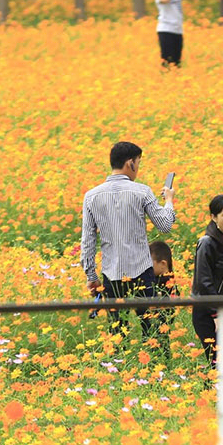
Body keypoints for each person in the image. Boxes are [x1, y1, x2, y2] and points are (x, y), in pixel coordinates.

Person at [80, 141, 176, 345]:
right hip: (141, 271)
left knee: (117, 333)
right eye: (138, 163)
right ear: (130, 163)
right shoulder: (141, 192)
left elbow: (87, 241)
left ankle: (117, 370)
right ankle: (157, 371)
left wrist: (91, 276)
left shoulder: (91, 197)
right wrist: (169, 200)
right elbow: (165, 225)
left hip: (111, 275)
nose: (137, 169)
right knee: (153, 331)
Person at [191, 195, 223, 365]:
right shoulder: (207, 243)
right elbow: (203, 282)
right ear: (214, 217)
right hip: (209, 312)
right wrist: (216, 314)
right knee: (218, 362)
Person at [152, 0, 195, 67]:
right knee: (168, 61)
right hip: (165, 30)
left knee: (177, 63)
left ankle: (174, 81)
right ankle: (166, 81)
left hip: (178, 31)